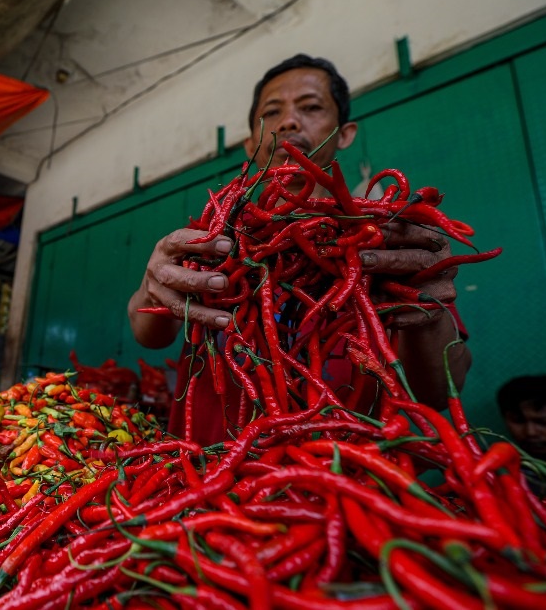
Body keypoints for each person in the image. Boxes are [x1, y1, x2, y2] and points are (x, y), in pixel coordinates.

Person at [128, 54, 471, 445]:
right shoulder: (210, 240)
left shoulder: (390, 244)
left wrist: (427, 310)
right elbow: (148, 335)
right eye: (272, 111)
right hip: (209, 472)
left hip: (339, 479)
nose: (290, 122)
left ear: (345, 133)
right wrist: (153, 282)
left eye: (311, 107)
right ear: (250, 143)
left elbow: (439, 393)